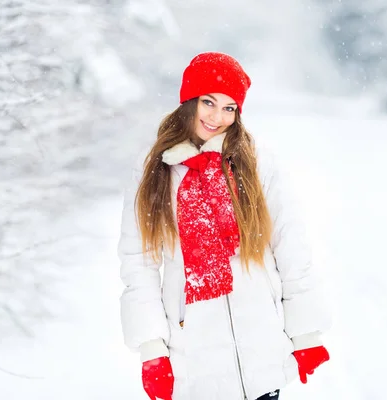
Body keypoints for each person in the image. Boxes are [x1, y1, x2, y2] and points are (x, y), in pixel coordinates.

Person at [117, 52, 331, 400]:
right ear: (189, 101)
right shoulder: (154, 171)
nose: (217, 117)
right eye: (209, 102)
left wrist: (306, 332)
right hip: (193, 359)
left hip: (260, 353)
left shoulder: (257, 163)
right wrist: (151, 348)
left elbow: (291, 245)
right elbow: (138, 261)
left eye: (230, 108)